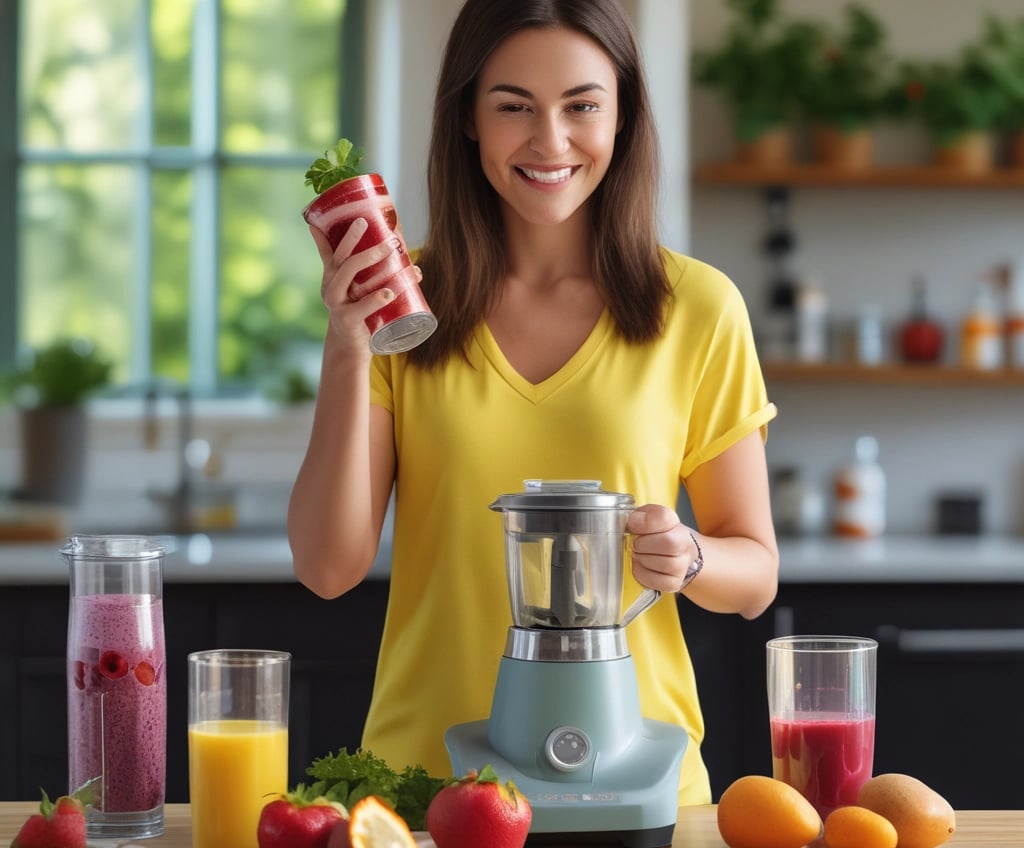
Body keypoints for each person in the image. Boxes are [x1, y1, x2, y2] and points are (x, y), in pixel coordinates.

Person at [288, 0, 778, 805]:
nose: (550, 141)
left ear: (622, 117)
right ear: (469, 120)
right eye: (513, 106)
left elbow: (754, 573)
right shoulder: (402, 301)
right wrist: (346, 343)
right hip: (425, 788)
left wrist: (687, 557)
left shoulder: (698, 306)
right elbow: (328, 567)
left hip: (631, 781)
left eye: (582, 105)